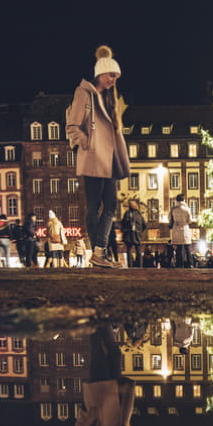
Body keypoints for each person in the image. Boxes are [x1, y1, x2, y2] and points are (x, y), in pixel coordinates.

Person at [66, 45, 131, 268]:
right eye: (111, 75)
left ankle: (99, 251)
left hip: (109, 160)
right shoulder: (84, 93)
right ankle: (97, 253)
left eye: (116, 76)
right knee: (94, 205)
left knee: (111, 206)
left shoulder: (108, 99)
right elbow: (72, 125)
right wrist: (88, 144)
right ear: (100, 73)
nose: (114, 79)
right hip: (94, 157)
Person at [167, 193, 193, 268]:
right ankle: (190, 264)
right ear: (184, 200)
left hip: (176, 228)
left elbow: (169, 218)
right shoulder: (187, 209)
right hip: (185, 228)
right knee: (187, 247)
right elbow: (190, 220)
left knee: (179, 248)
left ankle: (179, 264)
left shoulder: (173, 209)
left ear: (176, 200)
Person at [120, 198, 147, 268]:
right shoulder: (139, 214)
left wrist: (124, 230)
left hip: (128, 235)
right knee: (138, 251)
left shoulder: (127, 213)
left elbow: (122, 224)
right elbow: (144, 225)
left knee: (129, 250)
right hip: (137, 235)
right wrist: (140, 231)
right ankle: (140, 266)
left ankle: (130, 266)